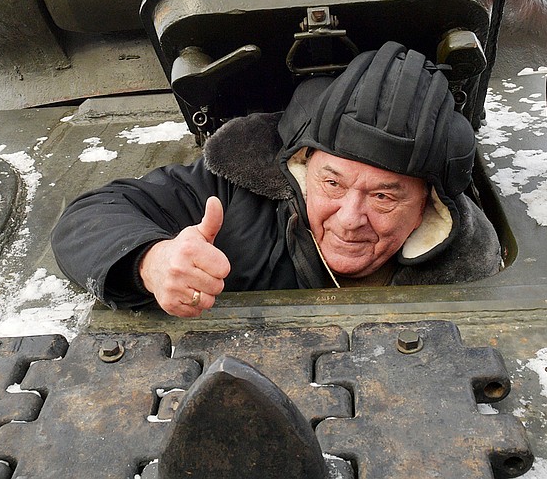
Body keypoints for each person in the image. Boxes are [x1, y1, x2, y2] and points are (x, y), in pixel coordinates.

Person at [52, 42, 502, 317]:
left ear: (428, 204)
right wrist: (151, 261)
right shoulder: (235, 196)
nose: (350, 220)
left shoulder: (467, 265)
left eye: (383, 197)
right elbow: (87, 219)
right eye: (333, 184)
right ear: (303, 166)